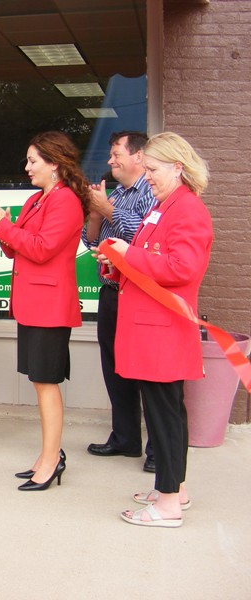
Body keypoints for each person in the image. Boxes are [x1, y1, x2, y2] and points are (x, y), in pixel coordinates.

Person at [97, 132, 212, 527]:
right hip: (153, 328)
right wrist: (117, 263)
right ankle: (175, 488)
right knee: (168, 412)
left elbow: (182, 268)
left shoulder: (187, 209)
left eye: (153, 169)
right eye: (146, 169)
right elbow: (150, 261)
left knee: (163, 416)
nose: (147, 176)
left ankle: (167, 505)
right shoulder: (166, 206)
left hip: (162, 330)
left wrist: (128, 254)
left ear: (178, 168)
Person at [0, 131, 89, 490]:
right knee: (39, 381)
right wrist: (1, 225)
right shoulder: (36, 200)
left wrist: (3, 225)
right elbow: (14, 248)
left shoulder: (66, 201)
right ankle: (47, 455)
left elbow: (41, 249)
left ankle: (52, 460)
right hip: (33, 305)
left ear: (54, 163)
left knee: (46, 383)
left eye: (33, 160)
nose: (26, 167)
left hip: (50, 307)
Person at [83, 131, 158, 472]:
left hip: (141, 295)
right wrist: (95, 215)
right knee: (115, 368)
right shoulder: (116, 193)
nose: (110, 160)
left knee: (147, 370)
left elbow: (144, 238)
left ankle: (157, 448)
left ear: (138, 156)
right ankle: (125, 438)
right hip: (112, 293)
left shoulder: (152, 192)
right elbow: (90, 242)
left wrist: (107, 209)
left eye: (117, 154)